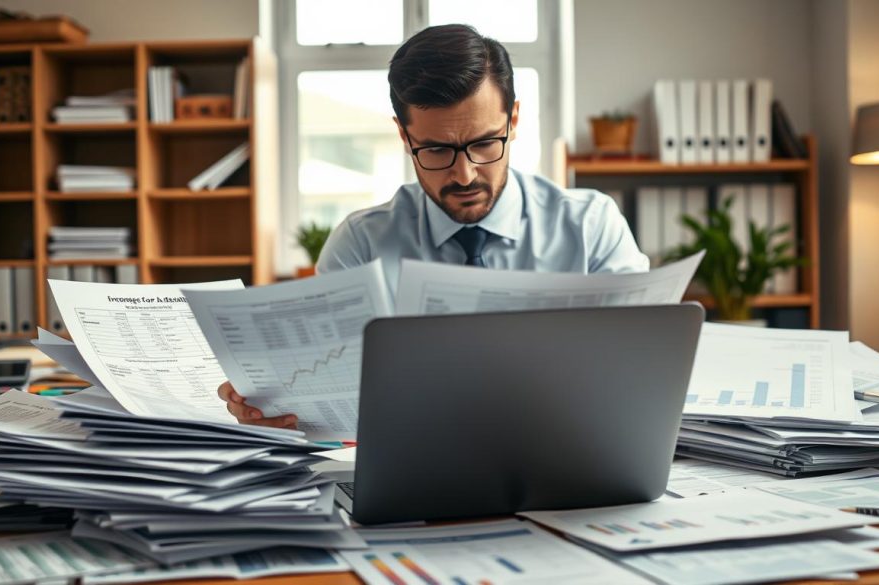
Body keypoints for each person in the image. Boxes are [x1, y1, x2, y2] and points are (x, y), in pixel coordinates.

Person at [218, 23, 649, 428]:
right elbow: (321, 396)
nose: (464, 175)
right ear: (404, 138)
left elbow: (642, 372)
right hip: (411, 474)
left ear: (513, 121)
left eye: (483, 144)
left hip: (569, 457)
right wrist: (278, 412)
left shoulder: (591, 226)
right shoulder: (360, 244)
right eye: (437, 150)